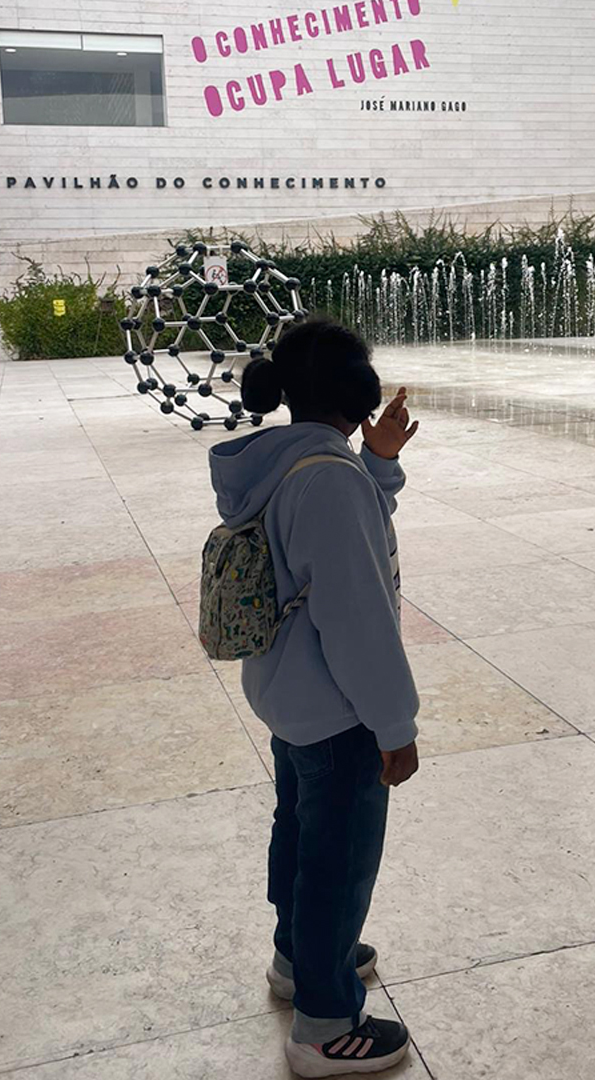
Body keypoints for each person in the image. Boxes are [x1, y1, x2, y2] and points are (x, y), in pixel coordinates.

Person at [208, 317, 421, 1076]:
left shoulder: (291, 461)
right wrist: (395, 724)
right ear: (359, 396)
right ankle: (325, 1025)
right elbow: (358, 617)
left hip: (289, 693)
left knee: (301, 832)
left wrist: (381, 464)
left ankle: (300, 959)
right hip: (336, 711)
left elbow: (347, 533)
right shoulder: (328, 479)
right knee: (339, 858)